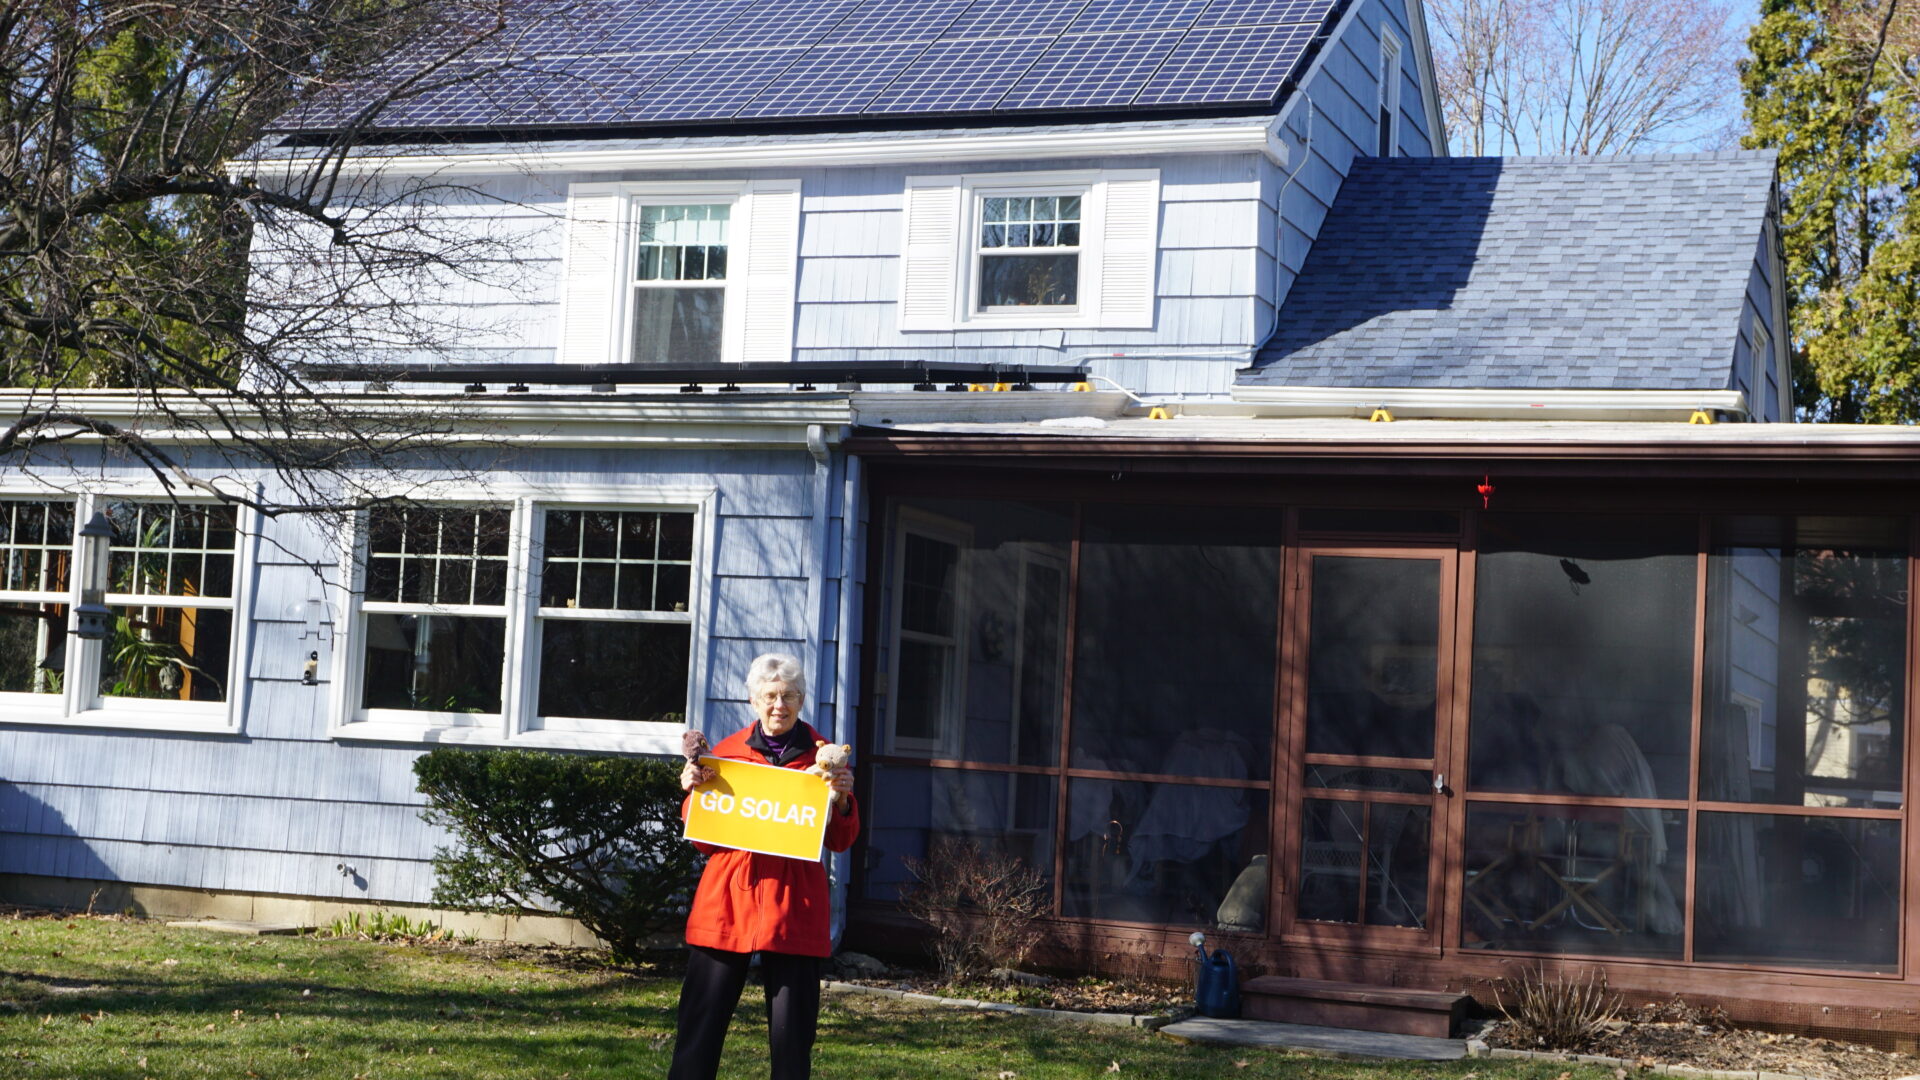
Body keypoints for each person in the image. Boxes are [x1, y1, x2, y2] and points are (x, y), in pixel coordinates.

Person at [668, 653, 858, 1080]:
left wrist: (843, 799)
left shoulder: (824, 760)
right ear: (753, 700)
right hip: (727, 903)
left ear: (801, 700)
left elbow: (842, 840)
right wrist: (693, 794)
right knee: (699, 1031)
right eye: (770, 696)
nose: (779, 705)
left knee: (792, 1043)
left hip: (796, 907)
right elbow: (702, 839)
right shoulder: (728, 754)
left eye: (789, 695)